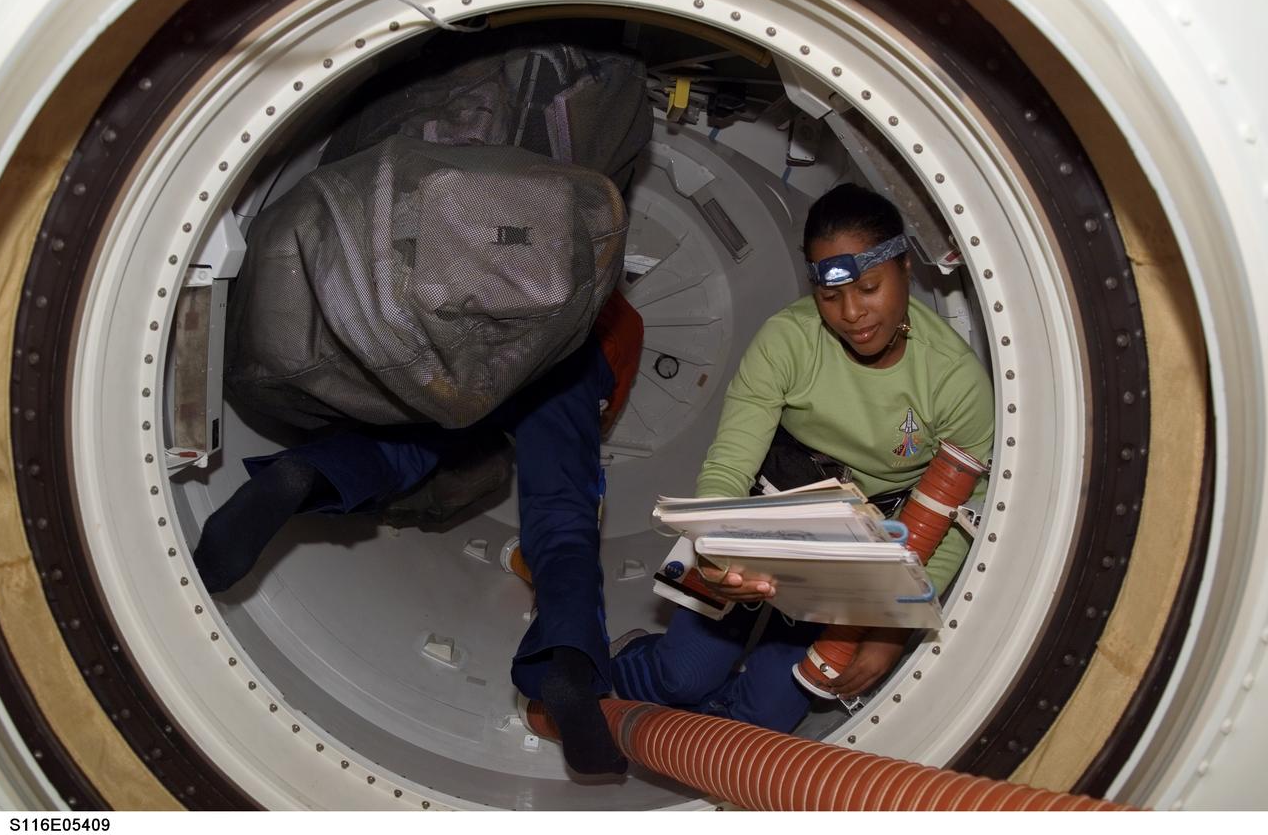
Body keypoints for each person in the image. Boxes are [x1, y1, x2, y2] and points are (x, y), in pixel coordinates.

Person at [194, 291, 643, 776]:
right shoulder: (624, 321)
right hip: (573, 371)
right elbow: (603, 412)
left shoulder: (529, 270)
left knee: (410, 445)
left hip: (492, 345)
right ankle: (569, 662)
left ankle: (307, 473)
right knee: (564, 521)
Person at [610, 183, 994, 731]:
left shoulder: (954, 382)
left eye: (868, 287)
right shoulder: (787, 341)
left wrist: (893, 629)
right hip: (767, 516)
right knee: (684, 676)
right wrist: (714, 550)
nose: (852, 313)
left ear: (906, 267)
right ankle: (613, 674)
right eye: (830, 296)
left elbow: (963, 511)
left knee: (769, 712)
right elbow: (730, 463)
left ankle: (700, 743)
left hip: (859, 554)